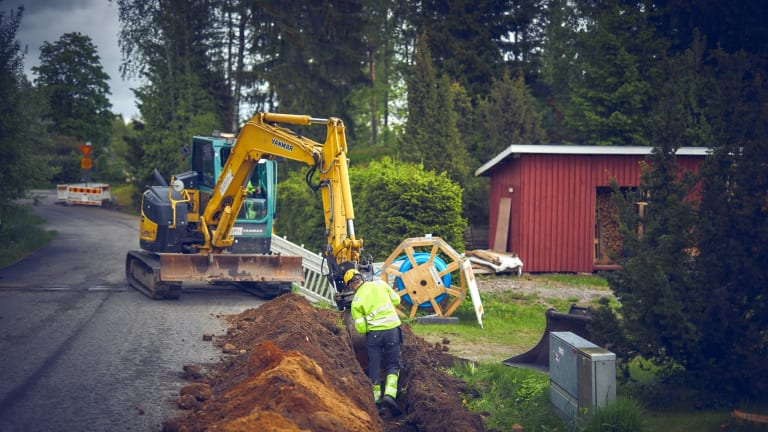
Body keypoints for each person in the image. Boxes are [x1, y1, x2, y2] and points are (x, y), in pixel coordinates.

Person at [344, 268, 403, 417]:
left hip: (374, 336)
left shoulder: (356, 302)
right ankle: (390, 395)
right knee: (393, 364)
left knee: (374, 366)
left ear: (351, 286)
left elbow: (361, 328)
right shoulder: (380, 284)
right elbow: (397, 300)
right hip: (392, 332)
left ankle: (376, 403)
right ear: (361, 278)